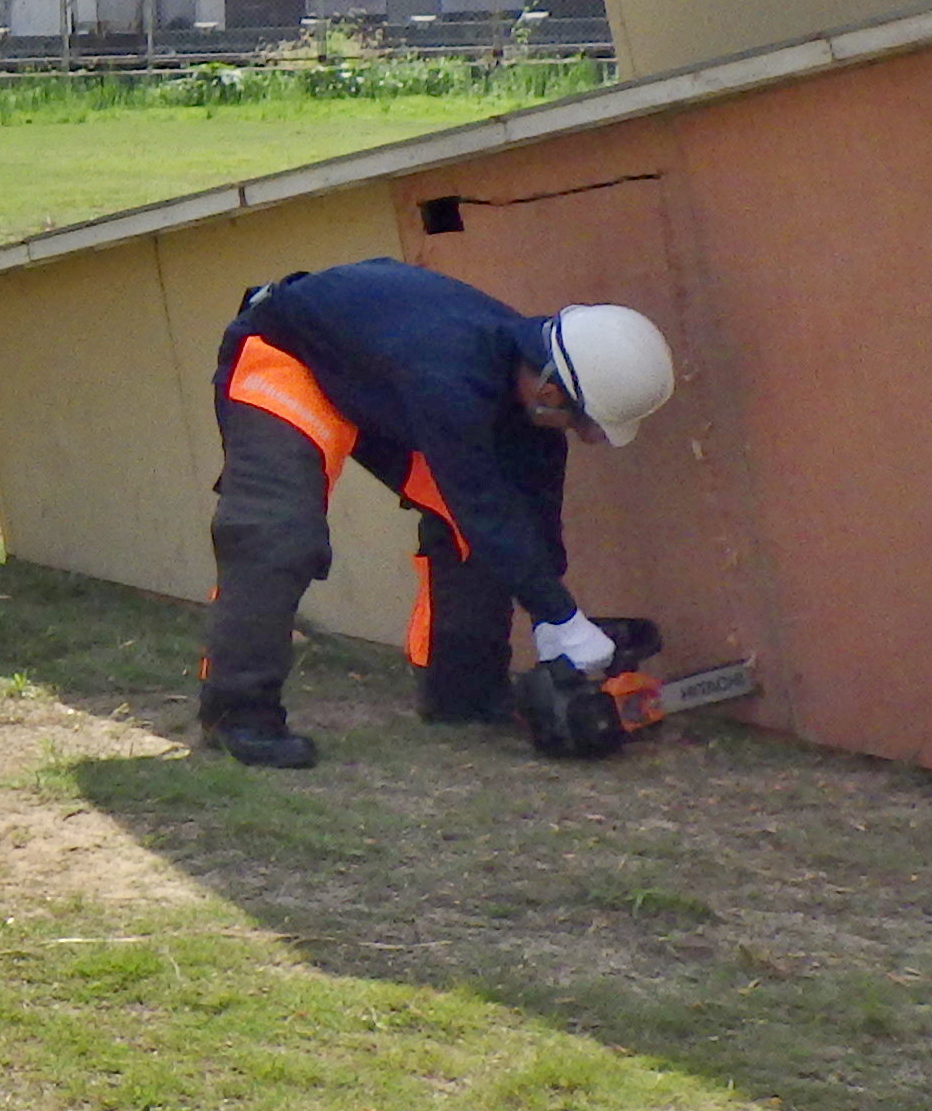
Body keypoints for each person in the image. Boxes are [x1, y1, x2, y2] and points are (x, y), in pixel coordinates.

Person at [199, 259, 677, 768]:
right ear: (550, 392)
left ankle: (463, 693)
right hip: (292, 359)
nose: (588, 438)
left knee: (486, 533)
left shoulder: (525, 399)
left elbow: (530, 520)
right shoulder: (450, 370)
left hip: (380, 387)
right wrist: (563, 619)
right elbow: (479, 501)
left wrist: (554, 622)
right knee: (277, 534)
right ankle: (239, 714)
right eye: (585, 425)